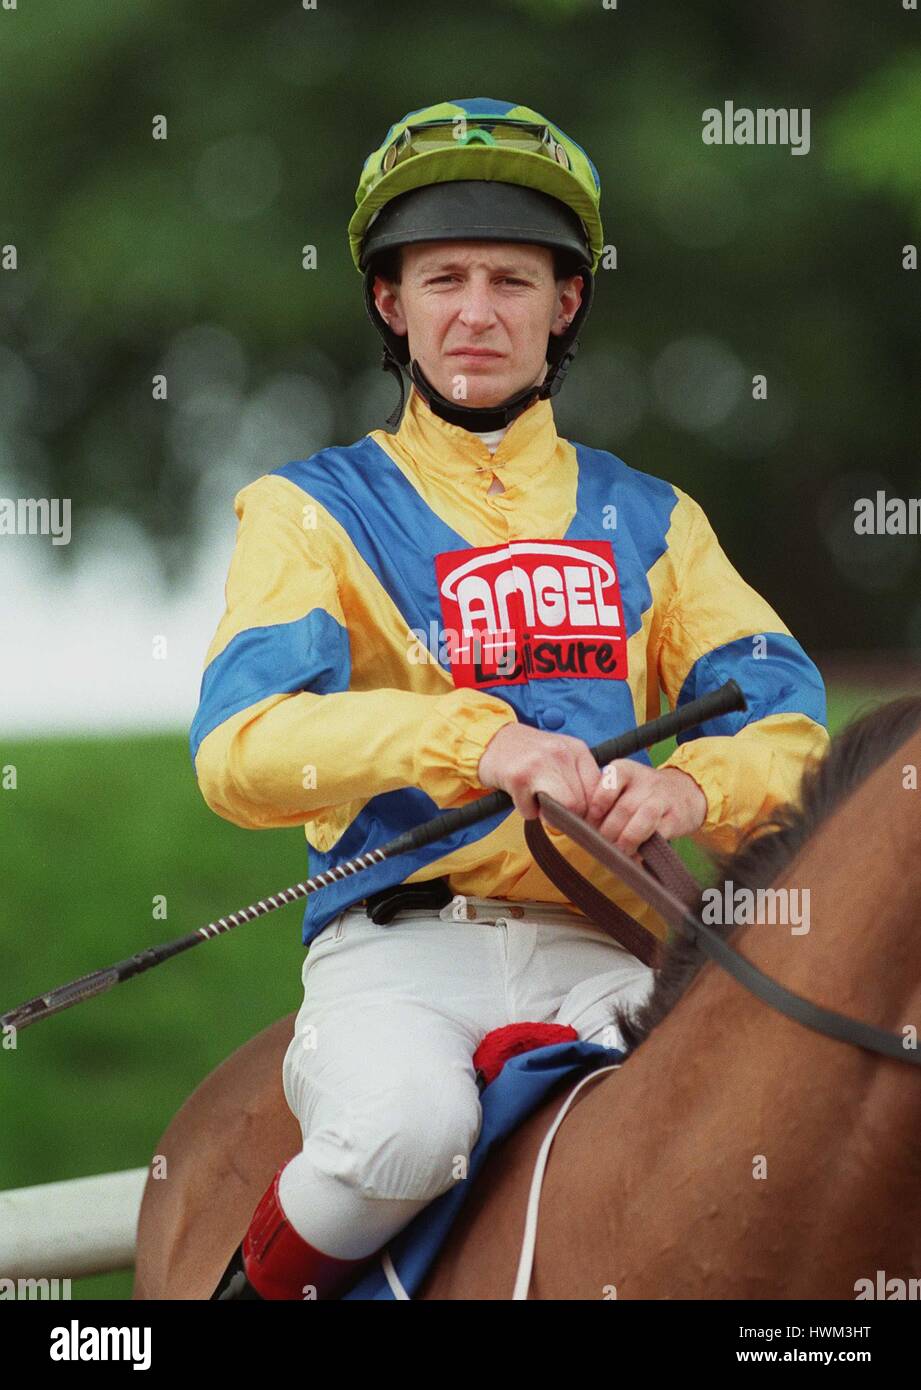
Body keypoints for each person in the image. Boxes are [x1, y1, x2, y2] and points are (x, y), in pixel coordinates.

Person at [191, 98, 829, 1300]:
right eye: (442, 279)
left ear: (564, 303)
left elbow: (793, 723)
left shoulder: (655, 518)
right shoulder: (308, 509)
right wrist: (473, 742)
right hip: (401, 955)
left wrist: (695, 785)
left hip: (616, 945)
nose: (476, 312)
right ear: (393, 304)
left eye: (511, 280)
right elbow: (238, 751)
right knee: (400, 1133)